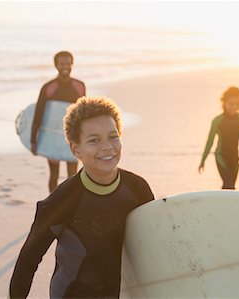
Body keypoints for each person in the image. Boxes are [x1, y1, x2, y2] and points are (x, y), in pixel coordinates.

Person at [9, 96, 155, 298]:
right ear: (75, 149)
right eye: (94, 140)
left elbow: (154, 245)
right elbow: (28, 259)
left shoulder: (137, 189)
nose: (107, 147)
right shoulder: (61, 201)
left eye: (113, 136)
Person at [31, 51, 86, 192]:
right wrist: (33, 140)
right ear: (56, 65)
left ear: (72, 64)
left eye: (68, 63)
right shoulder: (48, 87)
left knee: (73, 175)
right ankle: (53, 206)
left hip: (73, 138)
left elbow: (83, 115)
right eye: (62, 63)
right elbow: (39, 114)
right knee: (54, 175)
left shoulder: (79, 86)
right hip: (52, 138)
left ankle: (71, 206)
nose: (65, 66)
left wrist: (85, 139)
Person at [198, 86, 239, 189]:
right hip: (221, 156)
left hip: (235, 158)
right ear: (224, 102)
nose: (234, 107)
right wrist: (203, 160)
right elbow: (210, 141)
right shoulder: (217, 121)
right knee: (228, 184)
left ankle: (225, 204)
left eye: (237, 104)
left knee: (231, 187)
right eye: (231, 104)